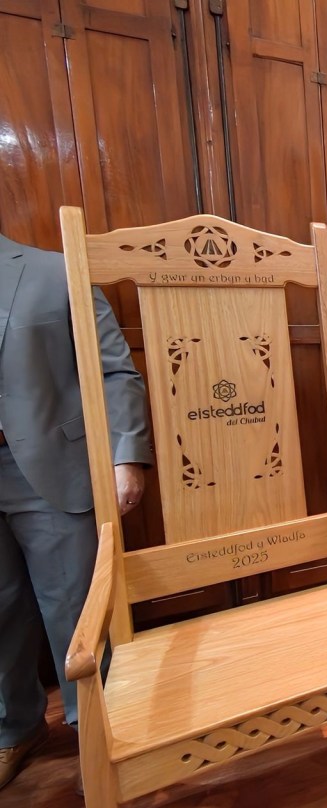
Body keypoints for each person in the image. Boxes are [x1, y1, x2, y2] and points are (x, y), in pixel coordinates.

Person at [0, 233, 152, 790]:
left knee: (75, 613)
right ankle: (14, 729)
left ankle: (97, 738)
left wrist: (126, 454)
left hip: (49, 473)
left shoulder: (56, 271)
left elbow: (115, 370)